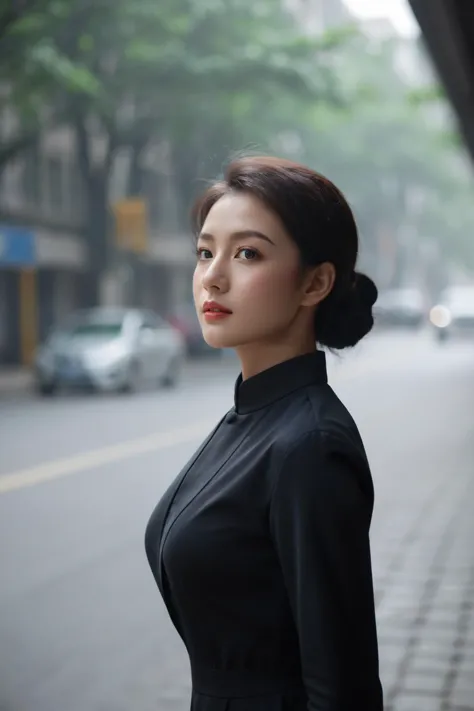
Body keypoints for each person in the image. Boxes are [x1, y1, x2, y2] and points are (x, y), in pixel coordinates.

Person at [145, 156, 384, 711]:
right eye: (206, 252)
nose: (213, 275)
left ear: (315, 282)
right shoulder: (251, 417)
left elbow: (342, 686)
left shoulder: (310, 446)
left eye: (247, 253)